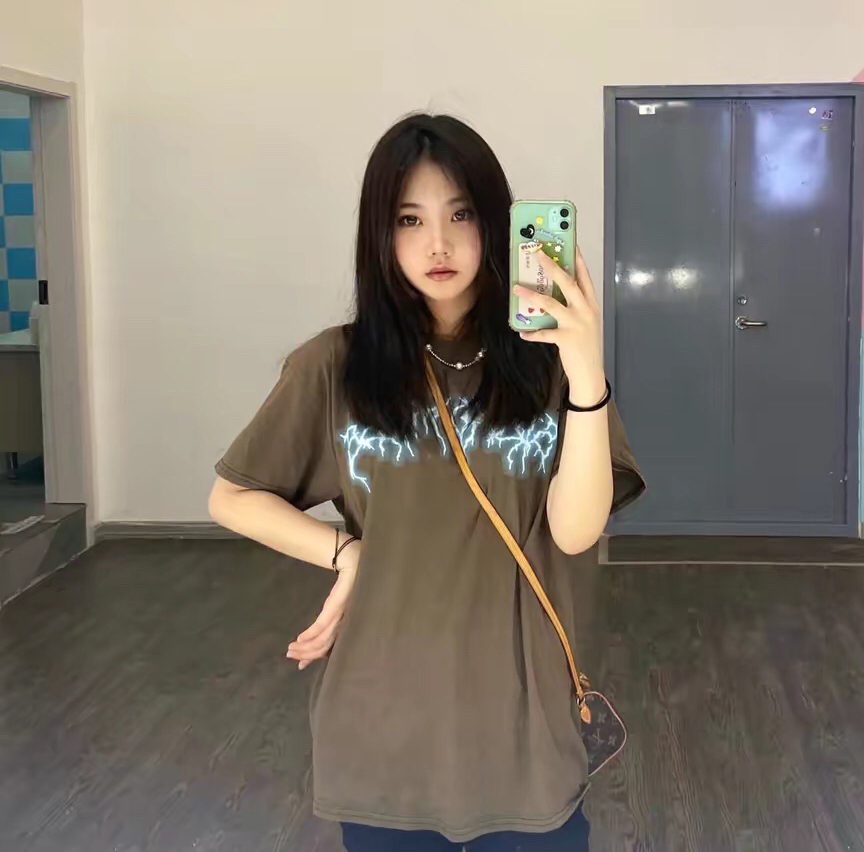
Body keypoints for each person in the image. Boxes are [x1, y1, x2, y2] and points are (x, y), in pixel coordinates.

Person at [208, 114, 646, 850]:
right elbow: (232, 496)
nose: (437, 244)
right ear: (379, 234)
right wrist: (346, 552)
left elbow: (575, 532)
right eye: (409, 219)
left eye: (461, 214)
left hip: (523, 727)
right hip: (384, 726)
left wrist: (584, 370)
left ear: (498, 224)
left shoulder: (550, 369)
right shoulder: (335, 366)